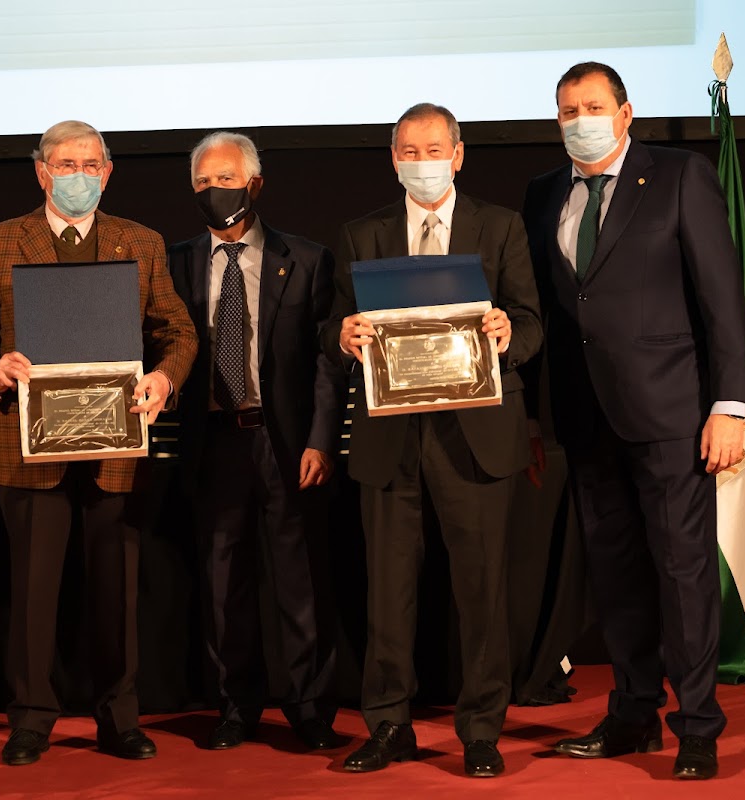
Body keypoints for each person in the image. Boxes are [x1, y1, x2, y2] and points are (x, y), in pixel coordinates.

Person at [0, 120, 197, 766]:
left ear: (107, 174)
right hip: (28, 449)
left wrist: (165, 379)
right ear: (41, 172)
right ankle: (31, 720)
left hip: (116, 445)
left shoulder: (141, 242)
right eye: (65, 164)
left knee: (117, 592)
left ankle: (119, 719)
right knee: (33, 594)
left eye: (89, 165)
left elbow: (179, 332)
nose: (77, 175)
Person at [522, 62, 745, 781]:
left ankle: (698, 727)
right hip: (585, 419)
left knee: (683, 576)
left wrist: (731, 405)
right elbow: (545, 313)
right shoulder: (543, 193)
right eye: (568, 110)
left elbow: (722, 298)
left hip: (673, 416)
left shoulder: (679, 176)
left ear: (625, 114)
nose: (579, 120)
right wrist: (531, 418)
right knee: (616, 576)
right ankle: (632, 714)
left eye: (593, 107)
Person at [322, 103, 542, 777]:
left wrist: (508, 335)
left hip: (476, 436)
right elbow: (332, 329)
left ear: (459, 153)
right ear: (394, 159)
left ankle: (481, 731)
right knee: (388, 596)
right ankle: (389, 725)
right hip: (390, 439)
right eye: (410, 152)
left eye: (435, 149)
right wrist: (342, 336)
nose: (423, 162)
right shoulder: (362, 234)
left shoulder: (501, 226)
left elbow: (532, 323)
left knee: (482, 592)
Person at [167, 132, 344, 751]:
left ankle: (310, 709)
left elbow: (327, 362)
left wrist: (321, 440)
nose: (215, 190)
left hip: (285, 441)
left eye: (227, 179)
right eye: (204, 182)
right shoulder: (173, 263)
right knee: (223, 584)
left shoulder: (309, 259)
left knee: (300, 581)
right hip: (213, 441)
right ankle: (235, 708)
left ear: (255, 185)